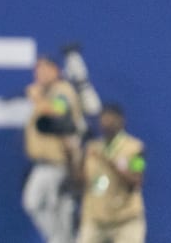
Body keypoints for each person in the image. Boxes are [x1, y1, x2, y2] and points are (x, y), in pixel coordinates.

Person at [22, 55, 85, 243]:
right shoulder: (50, 92)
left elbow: (59, 113)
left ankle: (60, 239)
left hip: (59, 163)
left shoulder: (62, 91)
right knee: (45, 206)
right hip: (46, 164)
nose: (38, 75)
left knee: (51, 206)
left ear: (55, 70)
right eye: (36, 71)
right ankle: (59, 239)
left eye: (42, 70)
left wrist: (38, 99)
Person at [73, 103, 147, 243]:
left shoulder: (136, 148)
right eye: (103, 120)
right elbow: (79, 183)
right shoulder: (91, 148)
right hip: (95, 219)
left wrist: (112, 163)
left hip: (126, 220)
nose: (106, 124)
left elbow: (136, 181)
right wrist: (72, 159)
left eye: (111, 120)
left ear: (121, 121)